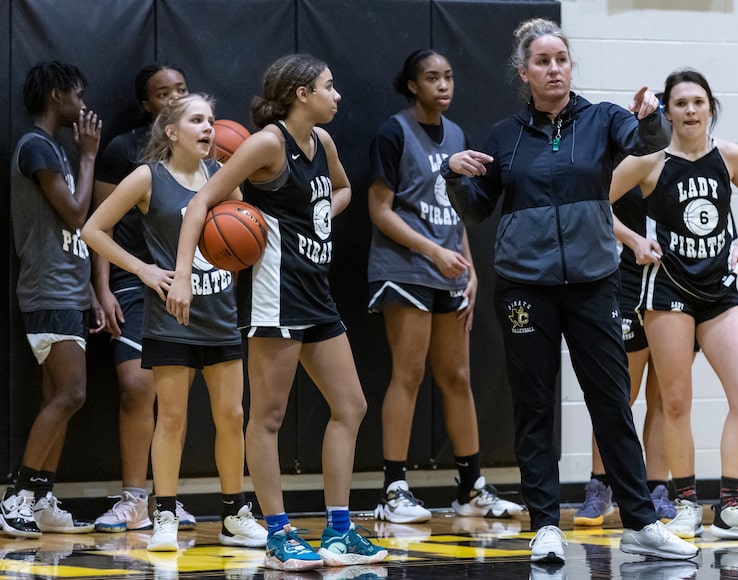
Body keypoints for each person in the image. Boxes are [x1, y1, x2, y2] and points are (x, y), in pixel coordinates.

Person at [440, 18, 699, 563]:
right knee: (534, 405)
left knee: (611, 402)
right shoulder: (505, 137)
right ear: (524, 71)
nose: (553, 68)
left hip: (594, 282)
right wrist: (453, 175)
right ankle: (544, 525)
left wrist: (651, 120)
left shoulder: (604, 119)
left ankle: (641, 522)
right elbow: (478, 208)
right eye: (542, 61)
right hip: (524, 288)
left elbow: (647, 143)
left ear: (570, 66)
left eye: (561, 58)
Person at [165, 54, 387, 570]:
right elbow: (201, 204)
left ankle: (338, 530)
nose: (338, 96)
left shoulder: (323, 142)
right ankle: (279, 534)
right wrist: (181, 274)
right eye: (329, 87)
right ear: (302, 94)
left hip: (317, 292)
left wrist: (317, 215)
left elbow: (345, 188)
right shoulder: (267, 143)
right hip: (276, 294)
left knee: (351, 406)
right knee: (267, 417)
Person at [81, 93, 267, 551]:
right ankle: (163, 514)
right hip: (171, 317)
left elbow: (246, 228)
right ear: (171, 131)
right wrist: (143, 269)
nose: (208, 127)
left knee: (232, 416)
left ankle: (233, 515)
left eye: (211, 120)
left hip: (220, 314)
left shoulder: (222, 177)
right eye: (197, 120)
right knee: (172, 419)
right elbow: (92, 230)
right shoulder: (148, 176)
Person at [609, 68, 738, 541]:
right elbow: (594, 202)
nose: (690, 110)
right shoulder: (649, 162)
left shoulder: (730, 157)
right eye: (680, 103)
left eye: (698, 102)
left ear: (710, 107)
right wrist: (632, 241)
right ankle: (685, 503)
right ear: (666, 111)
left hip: (719, 289)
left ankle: (731, 506)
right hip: (666, 290)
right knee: (676, 402)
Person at [367, 49, 523, 524]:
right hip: (404, 269)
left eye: (449, 77)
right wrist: (433, 251)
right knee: (408, 375)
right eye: (432, 78)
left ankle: (470, 487)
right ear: (412, 85)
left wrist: (471, 270)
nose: (443, 85)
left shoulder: (457, 136)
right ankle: (393, 489)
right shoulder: (394, 132)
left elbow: (459, 211)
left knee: (457, 378)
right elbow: (379, 210)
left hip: (449, 270)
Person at [91, 63, 196, 534]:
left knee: (177, 397)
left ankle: (168, 500)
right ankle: (134, 499)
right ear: (147, 105)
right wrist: (102, 287)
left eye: (181, 89)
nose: (173, 97)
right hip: (136, 279)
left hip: (188, 284)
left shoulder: (207, 151)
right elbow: (100, 223)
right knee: (137, 387)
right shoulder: (123, 150)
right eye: (162, 92)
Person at [2, 61, 104, 539]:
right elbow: (76, 215)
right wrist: (89, 156)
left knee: (57, 395)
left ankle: (40, 498)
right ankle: (15, 497)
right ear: (57, 95)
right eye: (77, 96)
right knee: (71, 393)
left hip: (67, 288)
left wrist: (90, 292)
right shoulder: (37, 146)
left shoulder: (53, 147)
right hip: (47, 289)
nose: (83, 107)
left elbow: (72, 239)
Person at [573, 183, 676, 527]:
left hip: (677, 285)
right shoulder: (631, 157)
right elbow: (597, 204)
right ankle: (600, 485)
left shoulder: (696, 160)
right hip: (631, 280)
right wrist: (633, 239)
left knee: (664, 399)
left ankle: (657, 487)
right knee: (619, 395)